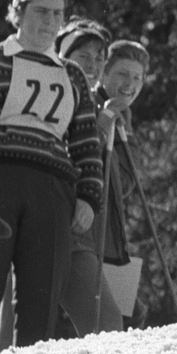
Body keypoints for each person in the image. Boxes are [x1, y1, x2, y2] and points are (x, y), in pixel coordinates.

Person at [0, 0, 103, 354]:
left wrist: (89, 197)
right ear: (19, 11)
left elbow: (86, 142)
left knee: (41, 297)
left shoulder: (72, 75)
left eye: (58, 14)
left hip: (53, 190)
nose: (51, 21)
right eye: (42, 11)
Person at [54, 17, 124, 336]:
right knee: (105, 322)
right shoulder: (55, 90)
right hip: (59, 217)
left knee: (105, 323)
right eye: (85, 55)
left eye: (99, 57)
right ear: (64, 54)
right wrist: (102, 124)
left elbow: (118, 185)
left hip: (81, 229)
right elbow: (71, 151)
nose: (94, 64)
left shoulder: (94, 102)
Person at [96, 39, 152, 329]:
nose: (130, 83)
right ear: (104, 74)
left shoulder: (125, 119)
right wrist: (105, 119)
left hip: (113, 239)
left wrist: (122, 128)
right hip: (92, 235)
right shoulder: (93, 107)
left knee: (130, 316)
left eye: (137, 77)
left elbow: (125, 183)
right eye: (122, 74)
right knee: (117, 320)